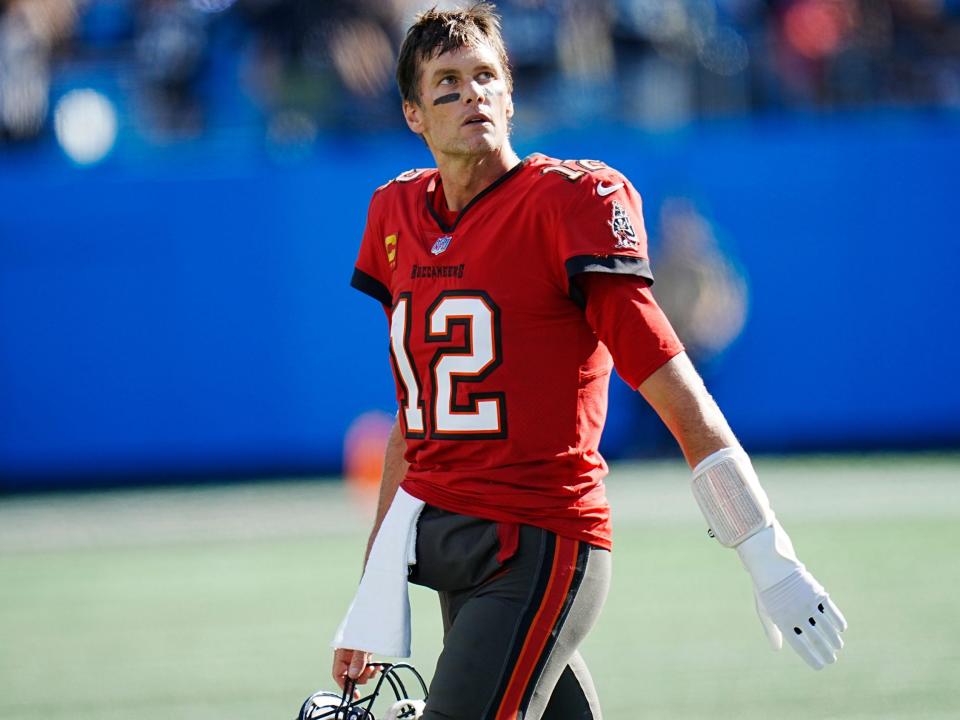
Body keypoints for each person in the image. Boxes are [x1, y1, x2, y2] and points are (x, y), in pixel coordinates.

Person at [331, 4, 847, 719]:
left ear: (510, 93)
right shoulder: (395, 214)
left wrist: (762, 545)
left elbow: (671, 382)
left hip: (537, 540)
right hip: (448, 540)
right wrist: (371, 589)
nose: (470, 94)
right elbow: (411, 424)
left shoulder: (565, 202)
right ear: (414, 114)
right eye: (446, 83)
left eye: (485, 77)